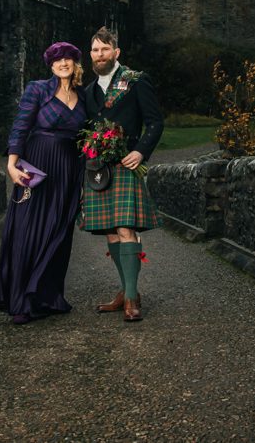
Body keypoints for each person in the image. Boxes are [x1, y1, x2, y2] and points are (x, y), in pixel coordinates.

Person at [0, 41, 88, 324]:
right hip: (36, 167)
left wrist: (82, 181)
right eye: (57, 60)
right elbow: (21, 126)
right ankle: (21, 301)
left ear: (75, 63)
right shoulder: (37, 89)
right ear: (51, 65)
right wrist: (11, 163)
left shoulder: (83, 97)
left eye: (67, 59)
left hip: (69, 169)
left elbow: (85, 139)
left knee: (59, 232)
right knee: (28, 230)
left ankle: (47, 297)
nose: (62, 64)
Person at [82, 26, 164, 322]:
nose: (99, 55)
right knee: (111, 234)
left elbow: (155, 122)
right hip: (98, 170)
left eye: (105, 49)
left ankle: (131, 298)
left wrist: (141, 151)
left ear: (116, 53)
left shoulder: (136, 80)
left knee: (126, 230)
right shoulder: (88, 91)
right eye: (94, 50)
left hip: (126, 164)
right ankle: (126, 289)